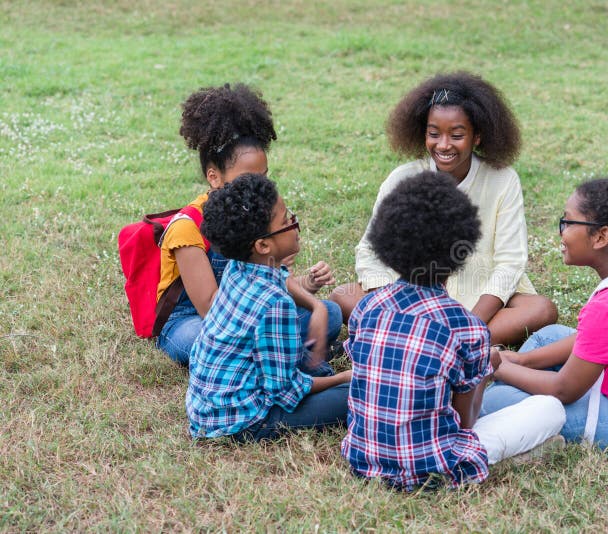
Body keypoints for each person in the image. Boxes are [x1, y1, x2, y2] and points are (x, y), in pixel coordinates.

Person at [341, 171, 565, 491]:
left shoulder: (367, 308)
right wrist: (489, 369)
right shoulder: (466, 327)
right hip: (435, 468)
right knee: (550, 410)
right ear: (459, 252)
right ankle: (504, 459)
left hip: (363, 459)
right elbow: (466, 422)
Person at [331, 71, 557, 346]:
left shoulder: (502, 179)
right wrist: (395, 305)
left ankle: (441, 340)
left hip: (480, 299)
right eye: (434, 134)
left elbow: (510, 264)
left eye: (457, 135)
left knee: (541, 310)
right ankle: (439, 338)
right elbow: (369, 252)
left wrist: (470, 323)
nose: (444, 145)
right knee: (342, 295)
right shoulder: (402, 177)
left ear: (477, 137)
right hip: (408, 300)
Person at [482, 169, 608, 456]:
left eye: (567, 222)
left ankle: (538, 443)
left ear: (601, 237)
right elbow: (593, 339)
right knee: (549, 336)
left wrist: (500, 368)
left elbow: (564, 391)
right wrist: (522, 359)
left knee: (494, 401)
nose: (561, 232)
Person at [157, 83, 340, 366]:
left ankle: (273, 349)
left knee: (331, 314)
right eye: (247, 178)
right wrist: (274, 318)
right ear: (214, 176)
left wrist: (305, 285)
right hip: (195, 320)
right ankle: (283, 351)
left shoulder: (257, 212)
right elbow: (212, 309)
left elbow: (271, 284)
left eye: (264, 176)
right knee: (204, 339)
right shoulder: (186, 228)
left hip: (247, 313)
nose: (259, 186)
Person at [186, 173, 351, 442]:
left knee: (323, 320)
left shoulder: (237, 266)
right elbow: (285, 391)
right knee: (356, 394)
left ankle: (318, 366)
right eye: (286, 220)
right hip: (241, 421)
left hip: (208, 408)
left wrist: (317, 307)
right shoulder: (276, 305)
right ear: (263, 245)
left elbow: (280, 277)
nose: (295, 224)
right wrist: (344, 377)